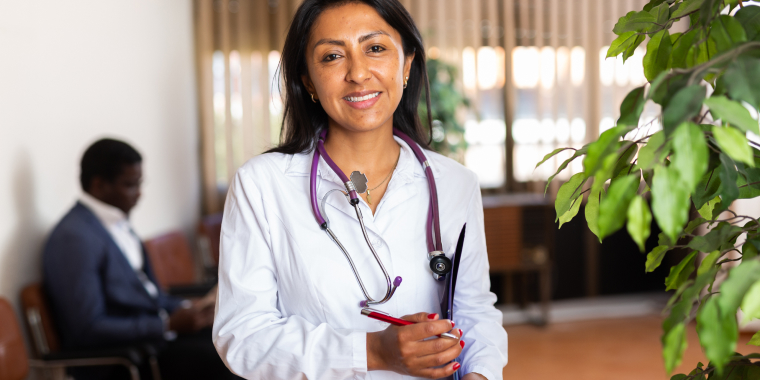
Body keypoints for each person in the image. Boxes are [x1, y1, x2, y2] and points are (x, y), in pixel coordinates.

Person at [212, 0, 508, 379]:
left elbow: (474, 311)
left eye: (376, 48)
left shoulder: (454, 184)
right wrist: (371, 350)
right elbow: (243, 334)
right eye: (333, 56)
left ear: (406, 65)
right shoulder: (262, 184)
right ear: (308, 82)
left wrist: (477, 373)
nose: (358, 72)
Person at [43, 138, 238, 380]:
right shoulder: (74, 238)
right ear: (99, 185)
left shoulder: (114, 223)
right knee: (228, 360)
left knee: (237, 339)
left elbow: (149, 295)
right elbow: (88, 327)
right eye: (130, 185)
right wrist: (166, 325)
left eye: (139, 184)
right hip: (126, 357)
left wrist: (191, 310)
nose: (139, 194)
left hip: (152, 340)